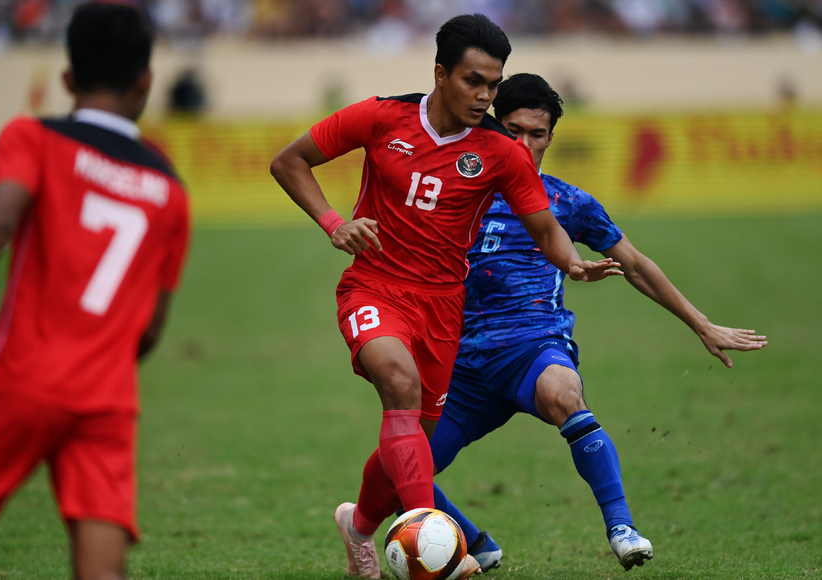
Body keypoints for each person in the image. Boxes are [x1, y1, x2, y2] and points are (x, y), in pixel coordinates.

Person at [270, 15, 623, 580]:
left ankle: (359, 526)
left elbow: (544, 227)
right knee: (399, 382)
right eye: (474, 81)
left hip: (441, 306)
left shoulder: (499, 152)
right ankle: (433, 543)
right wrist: (334, 222)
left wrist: (572, 263)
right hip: (374, 286)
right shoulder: (381, 116)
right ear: (440, 73)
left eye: (493, 83)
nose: (486, 96)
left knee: (411, 439)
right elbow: (288, 161)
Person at [426, 73, 768, 572]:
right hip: (462, 365)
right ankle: (475, 542)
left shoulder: (568, 201)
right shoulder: (456, 192)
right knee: (399, 471)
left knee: (565, 393)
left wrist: (702, 324)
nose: (524, 144)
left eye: (536, 134)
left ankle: (622, 528)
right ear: (493, 126)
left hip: (533, 345)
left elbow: (635, 263)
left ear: (550, 137)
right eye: (513, 130)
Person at [0, 3, 190, 579]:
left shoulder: (32, 137)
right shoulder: (170, 189)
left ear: (67, 79)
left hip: (24, 380)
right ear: (146, 80)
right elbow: (152, 328)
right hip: (108, 399)